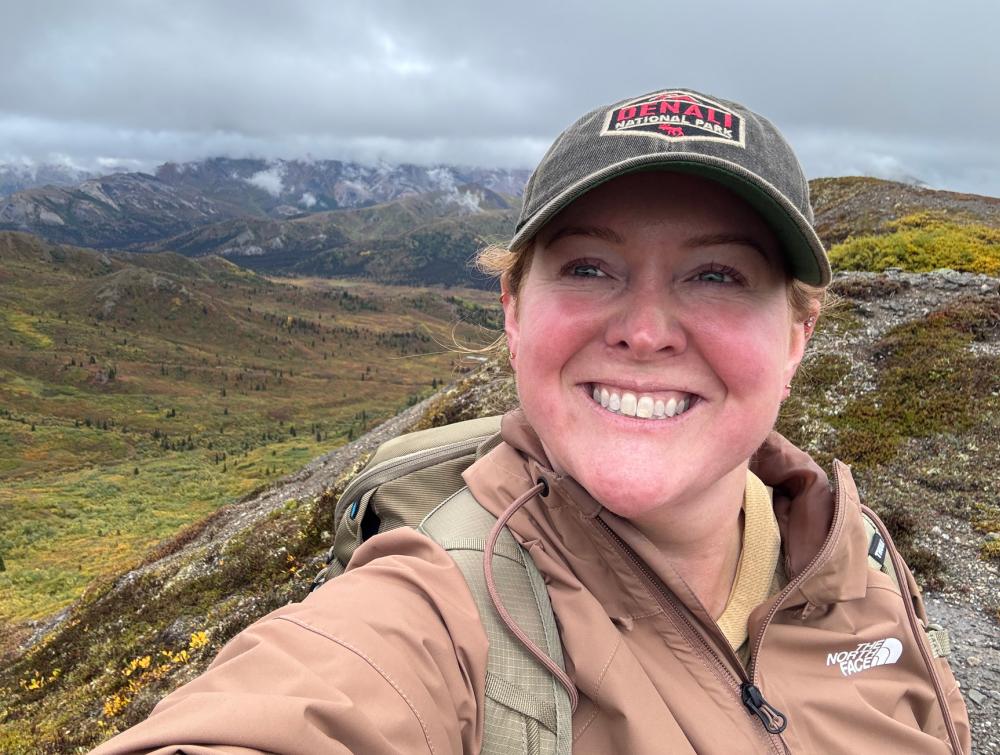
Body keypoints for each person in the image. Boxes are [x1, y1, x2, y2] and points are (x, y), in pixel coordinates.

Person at [92, 88, 970, 754]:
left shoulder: (852, 555)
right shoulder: (439, 603)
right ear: (513, 311)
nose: (645, 329)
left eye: (717, 276)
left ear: (796, 335)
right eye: (589, 267)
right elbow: (302, 701)